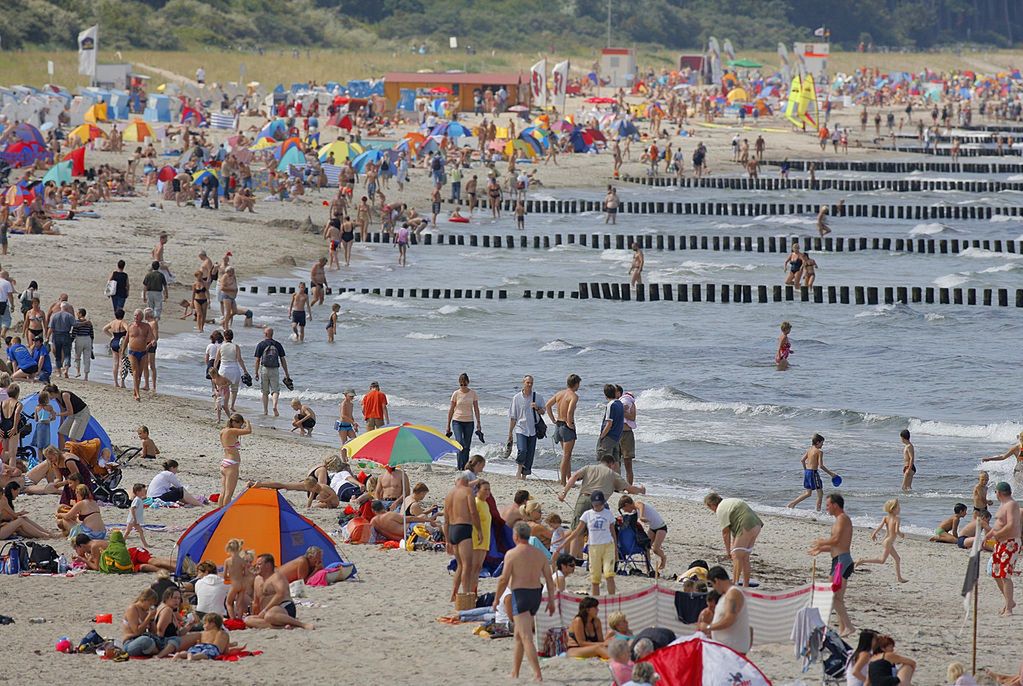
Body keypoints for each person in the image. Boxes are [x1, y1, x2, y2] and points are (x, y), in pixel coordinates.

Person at [492, 520, 556, 681]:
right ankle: (515, 671)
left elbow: (503, 579)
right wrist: (551, 601)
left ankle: (537, 674)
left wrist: (496, 599)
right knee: (519, 637)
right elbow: (549, 579)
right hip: (536, 594)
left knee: (526, 636)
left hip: (520, 595)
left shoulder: (512, 554)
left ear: (515, 536)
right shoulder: (539, 554)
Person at [560, 454, 645, 558]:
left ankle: (573, 558)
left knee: (577, 531)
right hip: (599, 505)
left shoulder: (589, 468)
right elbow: (629, 489)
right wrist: (641, 490)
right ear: (612, 464)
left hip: (583, 499)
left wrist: (564, 493)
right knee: (596, 531)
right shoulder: (613, 474)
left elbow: (574, 477)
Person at [809, 493, 856, 637]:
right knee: (838, 598)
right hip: (838, 560)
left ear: (835, 505)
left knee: (832, 595)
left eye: (828, 505)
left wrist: (821, 541)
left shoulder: (843, 519)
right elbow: (836, 546)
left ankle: (849, 626)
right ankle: (843, 630)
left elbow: (835, 540)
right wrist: (820, 549)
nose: (826, 508)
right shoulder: (837, 521)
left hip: (842, 561)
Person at [561, 490, 618, 596]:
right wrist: (564, 543)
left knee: (609, 574)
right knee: (595, 578)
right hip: (594, 548)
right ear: (592, 503)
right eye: (595, 505)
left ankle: (612, 598)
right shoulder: (587, 514)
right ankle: (595, 599)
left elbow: (613, 533)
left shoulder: (608, 514)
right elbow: (576, 532)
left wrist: (616, 550)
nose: (598, 507)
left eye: (600, 504)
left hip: (607, 546)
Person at [703, 493, 763, 589]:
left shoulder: (720, 509)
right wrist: (733, 548)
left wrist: (728, 552)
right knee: (744, 557)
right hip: (756, 525)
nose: (712, 511)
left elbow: (725, 532)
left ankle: (735, 584)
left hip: (746, 525)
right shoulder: (730, 502)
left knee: (737, 556)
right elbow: (735, 529)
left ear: (711, 505)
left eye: (710, 508)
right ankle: (745, 585)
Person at [244, 553, 314, 629]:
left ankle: (302, 625)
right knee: (248, 620)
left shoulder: (276, 577)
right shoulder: (257, 580)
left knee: (269, 616)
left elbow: (280, 594)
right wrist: (257, 613)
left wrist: (265, 610)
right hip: (267, 611)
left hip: (283, 607)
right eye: (256, 564)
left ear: (268, 565)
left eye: (259, 564)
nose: (256, 567)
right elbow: (256, 602)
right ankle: (282, 627)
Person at [444, 471, 482, 604]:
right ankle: (466, 595)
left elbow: (446, 520)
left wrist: (447, 540)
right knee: (467, 565)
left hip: (452, 529)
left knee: (460, 565)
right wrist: (479, 530)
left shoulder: (449, 494)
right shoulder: (467, 491)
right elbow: (473, 512)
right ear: (466, 481)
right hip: (464, 527)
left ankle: (454, 594)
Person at [697, 566, 750, 654]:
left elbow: (729, 619)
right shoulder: (726, 595)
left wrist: (708, 627)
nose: (714, 588)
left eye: (712, 584)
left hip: (732, 650)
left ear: (716, 581)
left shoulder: (733, 594)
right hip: (726, 649)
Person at [856, 499, 908, 583]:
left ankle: (899, 578)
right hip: (888, 542)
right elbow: (896, 531)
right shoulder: (897, 519)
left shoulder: (886, 518)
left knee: (897, 559)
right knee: (882, 560)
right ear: (893, 508)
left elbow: (880, 527)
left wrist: (874, 533)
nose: (900, 509)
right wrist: (902, 535)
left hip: (885, 541)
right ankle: (862, 560)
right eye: (898, 507)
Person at [989, 481, 1021, 616]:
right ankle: (1010, 601)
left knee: (1005, 575)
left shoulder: (1011, 504)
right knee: (995, 573)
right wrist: (988, 536)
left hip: (1010, 543)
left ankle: (1009, 608)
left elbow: (1011, 525)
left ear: (999, 493)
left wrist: (997, 534)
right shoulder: (1003, 504)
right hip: (1000, 543)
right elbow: (999, 524)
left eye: (995, 492)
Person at [507, 375, 546, 479]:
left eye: (531, 383)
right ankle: (519, 470)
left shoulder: (538, 397)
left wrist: (537, 408)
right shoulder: (516, 398)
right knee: (522, 450)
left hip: (533, 429)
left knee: (530, 453)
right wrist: (510, 433)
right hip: (521, 428)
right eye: (527, 382)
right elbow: (513, 417)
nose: (529, 385)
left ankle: (524, 475)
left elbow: (543, 411)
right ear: (523, 383)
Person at [787, 433, 837, 511]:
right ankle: (818, 511)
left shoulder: (809, 450)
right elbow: (821, 466)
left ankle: (792, 504)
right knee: (820, 493)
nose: (822, 445)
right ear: (817, 442)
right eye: (822, 443)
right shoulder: (819, 452)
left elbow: (802, 460)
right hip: (813, 473)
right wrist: (831, 474)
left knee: (808, 493)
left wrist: (805, 470)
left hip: (807, 472)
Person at [545, 373, 580, 485]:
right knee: (566, 455)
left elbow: (547, 405)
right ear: (576, 384)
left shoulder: (560, 393)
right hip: (566, 426)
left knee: (567, 454)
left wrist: (553, 419)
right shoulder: (573, 396)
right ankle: (563, 481)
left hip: (558, 425)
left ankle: (569, 479)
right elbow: (570, 411)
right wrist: (570, 424)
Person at [619, 495, 666, 572]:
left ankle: (663, 558)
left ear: (627, 504)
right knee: (646, 547)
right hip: (652, 528)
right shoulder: (635, 511)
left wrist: (641, 516)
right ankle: (649, 568)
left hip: (661, 527)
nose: (625, 511)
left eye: (624, 509)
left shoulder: (637, 504)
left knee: (655, 550)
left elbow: (641, 505)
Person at [446, 372, 482, 471]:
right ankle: (459, 466)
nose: (463, 386)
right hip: (457, 421)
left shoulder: (473, 393)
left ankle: (465, 467)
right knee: (460, 443)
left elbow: (476, 409)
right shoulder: (456, 394)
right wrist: (448, 425)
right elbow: (451, 409)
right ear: (459, 383)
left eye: (465, 384)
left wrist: (479, 423)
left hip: (469, 422)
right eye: (461, 384)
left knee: (466, 446)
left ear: (468, 382)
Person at [253, 327, 289, 417]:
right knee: (275, 390)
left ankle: (265, 411)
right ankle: (274, 406)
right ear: (272, 334)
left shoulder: (261, 344)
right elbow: (283, 360)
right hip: (274, 369)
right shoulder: (277, 344)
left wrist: (256, 372)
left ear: (265, 334)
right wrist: (286, 373)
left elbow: (257, 360)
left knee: (265, 391)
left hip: (264, 369)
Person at [218, 414, 251, 507]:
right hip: (232, 464)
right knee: (229, 493)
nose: (240, 427)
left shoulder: (223, 431)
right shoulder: (231, 431)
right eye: (240, 424)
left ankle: (219, 511)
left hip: (225, 462)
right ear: (234, 422)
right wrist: (247, 422)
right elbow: (248, 430)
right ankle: (225, 513)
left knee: (223, 492)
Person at [46, 383, 90, 450]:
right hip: (73, 414)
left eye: (48, 395)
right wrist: (61, 423)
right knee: (60, 432)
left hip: (81, 413)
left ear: (52, 393)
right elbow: (63, 410)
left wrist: (56, 414)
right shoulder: (57, 398)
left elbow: (70, 412)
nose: (48, 398)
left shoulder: (65, 395)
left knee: (72, 436)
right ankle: (62, 453)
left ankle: (78, 455)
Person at [124, 309, 154, 401]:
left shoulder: (146, 326)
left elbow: (152, 337)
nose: (136, 317)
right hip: (132, 352)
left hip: (143, 352)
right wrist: (122, 352)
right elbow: (126, 340)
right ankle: (137, 394)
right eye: (135, 315)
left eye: (138, 316)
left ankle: (135, 391)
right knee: (135, 372)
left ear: (142, 317)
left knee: (140, 374)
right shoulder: (130, 326)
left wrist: (152, 342)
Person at [214, 329, 247, 413]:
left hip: (224, 369)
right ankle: (231, 405)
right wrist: (245, 371)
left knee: (221, 388)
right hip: (234, 369)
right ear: (232, 337)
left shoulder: (221, 346)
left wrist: (214, 370)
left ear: (224, 337)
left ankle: (219, 404)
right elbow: (239, 359)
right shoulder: (236, 346)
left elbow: (217, 360)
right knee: (234, 389)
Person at [597, 384, 624, 464]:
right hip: (617, 437)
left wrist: (602, 436)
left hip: (609, 436)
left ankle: (604, 476)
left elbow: (609, 423)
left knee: (604, 460)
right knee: (615, 462)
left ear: (605, 394)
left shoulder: (610, 405)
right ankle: (616, 476)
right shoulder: (619, 403)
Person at [102, 309, 128, 388]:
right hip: (121, 342)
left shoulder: (113, 322)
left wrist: (111, 336)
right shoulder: (122, 322)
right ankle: (122, 382)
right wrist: (126, 337)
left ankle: (115, 382)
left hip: (114, 341)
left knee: (115, 363)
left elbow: (104, 329)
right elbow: (128, 330)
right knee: (121, 363)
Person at [617, 386, 638, 485]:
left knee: (628, 463)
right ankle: (616, 485)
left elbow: (632, 417)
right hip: (616, 434)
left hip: (627, 434)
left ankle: (629, 486)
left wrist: (622, 411)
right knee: (615, 462)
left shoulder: (630, 403)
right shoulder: (613, 404)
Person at [123, 483, 150, 547]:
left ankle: (145, 544)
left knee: (140, 531)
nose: (145, 492)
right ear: (138, 492)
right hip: (133, 520)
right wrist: (134, 519)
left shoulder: (139, 499)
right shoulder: (137, 500)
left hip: (135, 520)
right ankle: (121, 542)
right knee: (127, 532)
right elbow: (132, 509)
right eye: (143, 491)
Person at [71, 308, 94, 380]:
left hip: (79, 338)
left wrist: (71, 340)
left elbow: (74, 332)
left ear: (80, 314)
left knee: (77, 356)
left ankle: (78, 372)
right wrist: (91, 344)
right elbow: (92, 334)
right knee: (87, 358)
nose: (76, 314)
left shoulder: (77, 322)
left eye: (77, 313)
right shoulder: (89, 323)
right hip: (88, 339)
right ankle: (86, 375)